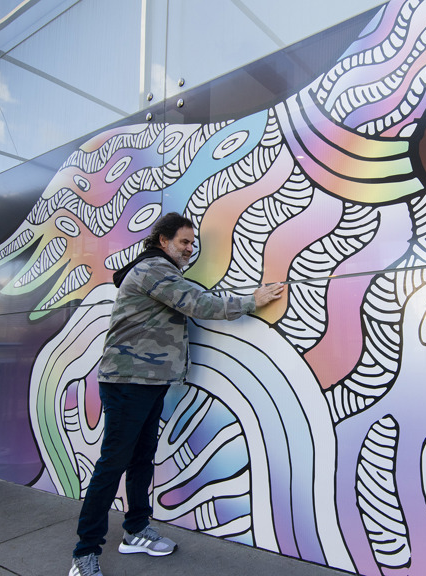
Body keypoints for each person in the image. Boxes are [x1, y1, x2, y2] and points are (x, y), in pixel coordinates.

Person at [69, 212, 284, 576]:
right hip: (127, 380)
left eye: (192, 243)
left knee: (141, 459)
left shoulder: (157, 270)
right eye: (184, 242)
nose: (189, 249)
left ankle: (135, 530)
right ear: (162, 241)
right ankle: (84, 553)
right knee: (113, 464)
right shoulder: (154, 269)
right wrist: (251, 300)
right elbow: (199, 304)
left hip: (147, 380)